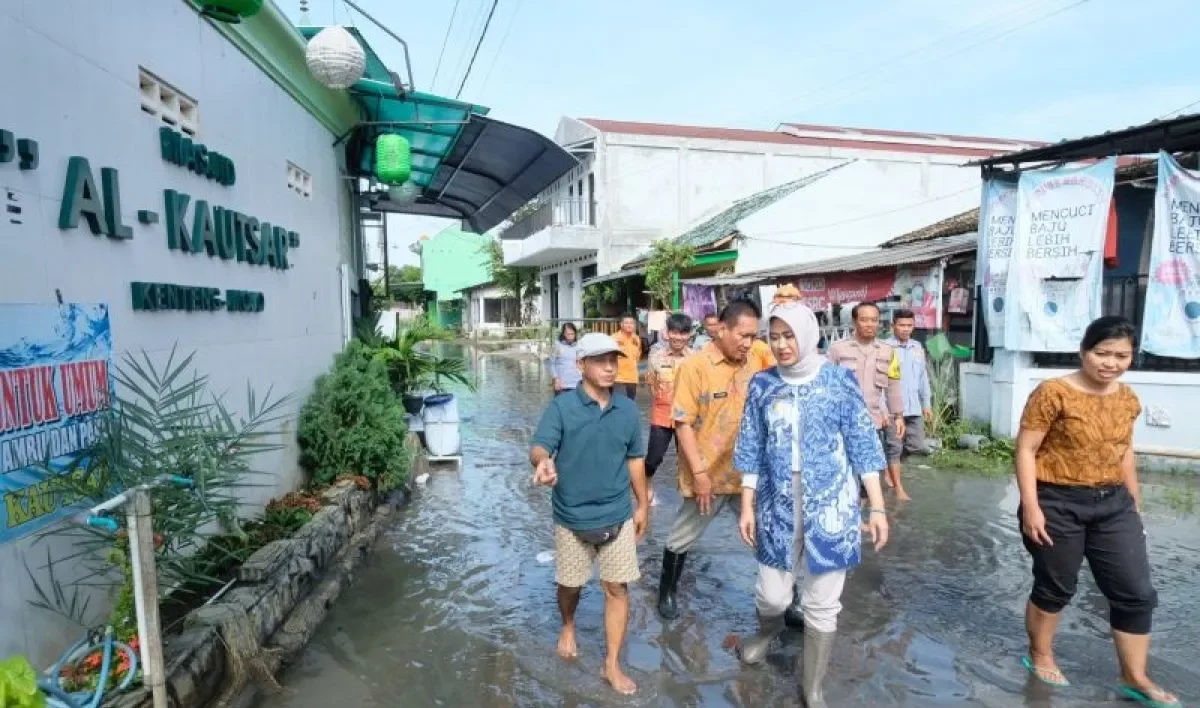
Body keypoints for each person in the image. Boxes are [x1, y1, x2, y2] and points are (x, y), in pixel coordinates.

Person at [1015, 317, 1178, 707]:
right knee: (1057, 586)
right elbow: (1025, 450)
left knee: (1136, 593)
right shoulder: (1052, 393)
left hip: (1113, 504)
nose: (1111, 362)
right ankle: (1040, 654)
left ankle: (1134, 677)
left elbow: (1124, 450)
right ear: (1083, 351)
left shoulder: (1127, 399)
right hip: (1056, 501)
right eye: (1102, 353)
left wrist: (1133, 500)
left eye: (1122, 355)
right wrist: (1032, 507)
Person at [734, 301, 889, 708]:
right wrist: (747, 504)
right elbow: (751, 445)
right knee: (773, 595)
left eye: (789, 336)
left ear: (807, 335)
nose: (782, 345)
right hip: (776, 501)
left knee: (823, 602)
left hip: (833, 504)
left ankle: (813, 687)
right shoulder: (763, 384)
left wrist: (876, 506)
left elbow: (862, 443)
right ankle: (767, 632)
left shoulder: (838, 381)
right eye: (775, 336)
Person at [529, 332, 650, 695]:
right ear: (581, 365)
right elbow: (539, 447)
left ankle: (610, 664)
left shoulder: (627, 408)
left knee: (617, 588)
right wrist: (544, 462)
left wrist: (642, 504)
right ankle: (568, 624)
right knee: (571, 586)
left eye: (613, 360)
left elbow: (635, 459)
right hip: (571, 517)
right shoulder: (562, 407)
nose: (610, 367)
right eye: (600, 360)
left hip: (617, 513)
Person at [656, 299, 771, 620]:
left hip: (747, 473)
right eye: (743, 336)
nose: (749, 343)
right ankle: (666, 593)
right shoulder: (695, 367)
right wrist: (700, 474)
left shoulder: (754, 362)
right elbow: (682, 424)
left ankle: (786, 601)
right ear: (722, 330)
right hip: (708, 472)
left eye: (753, 336)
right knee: (683, 535)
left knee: (767, 534)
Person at [825, 302, 905, 473]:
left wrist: (898, 416)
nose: (870, 324)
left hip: (873, 423)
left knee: (872, 472)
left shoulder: (888, 351)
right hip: (843, 424)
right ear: (854, 322)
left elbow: (893, 386)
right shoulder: (837, 349)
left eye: (874, 320)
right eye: (864, 320)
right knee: (844, 472)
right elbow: (825, 386)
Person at [644, 313, 695, 507]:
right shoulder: (655, 356)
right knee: (654, 458)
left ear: (689, 335)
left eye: (683, 333)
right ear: (667, 333)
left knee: (688, 458)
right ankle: (646, 488)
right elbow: (651, 383)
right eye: (674, 332)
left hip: (687, 418)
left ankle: (688, 494)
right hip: (661, 416)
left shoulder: (694, 359)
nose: (678, 338)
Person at [882, 309, 933, 501]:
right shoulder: (885, 347)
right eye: (901, 325)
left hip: (914, 408)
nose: (905, 329)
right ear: (893, 325)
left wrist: (926, 404)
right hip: (894, 409)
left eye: (909, 326)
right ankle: (898, 489)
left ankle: (890, 468)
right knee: (895, 447)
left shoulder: (917, 347)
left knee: (916, 445)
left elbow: (923, 378)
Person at [613, 314, 642, 399]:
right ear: (621, 324)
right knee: (620, 404)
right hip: (618, 378)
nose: (629, 325)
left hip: (632, 378)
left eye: (631, 323)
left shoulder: (636, 339)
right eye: (626, 323)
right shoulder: (614, 339)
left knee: (630, 404)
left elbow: (637, 357)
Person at [549, 322, 582, 394]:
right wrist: (556, 379)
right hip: (562, 385)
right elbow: (552, 364)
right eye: (568, 334)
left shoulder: (579, 346)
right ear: (564, 334)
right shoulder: (557, 345)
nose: (570, 336)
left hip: (577, 385)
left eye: (572, 334)